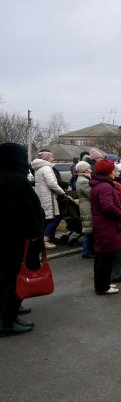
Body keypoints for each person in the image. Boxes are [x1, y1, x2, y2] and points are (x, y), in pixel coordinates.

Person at [0, 143, 44, 336]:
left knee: (6, 277)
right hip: (16, 239)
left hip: (6, 237)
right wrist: (34, 234)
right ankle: (6, 321)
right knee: (12, 277)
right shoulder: (16, 180)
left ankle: (11, 310)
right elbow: (23, 211)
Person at [89, 159, 121, 295]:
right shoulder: (105, 186)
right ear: (107, 172)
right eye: (113, 170)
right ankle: (102, 287)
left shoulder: (100, 185)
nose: (115, 172)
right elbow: (107, 206)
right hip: (107, 227)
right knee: (105, 259)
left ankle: (103, 283)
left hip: (103, 226)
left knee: (102, 258)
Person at [31, 151, 66, 250]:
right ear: (47, 158)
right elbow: (51, 183)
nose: (53, 158)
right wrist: (61, 192)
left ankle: (43, 238)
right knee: (55, 217)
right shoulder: (46, 168)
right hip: (49, 197)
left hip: (42, 196)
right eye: (51, 157)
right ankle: (45, 240)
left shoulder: (38, 168)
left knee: (46, 218)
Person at [75, 161, 94, 258]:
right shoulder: (83, 181)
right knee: (88, 229)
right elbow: (91, 194)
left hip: (87, 206)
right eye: (89, 167)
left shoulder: (85, 179)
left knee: (89, 229)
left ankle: (88, 250)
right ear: (85, 170)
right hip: (87, 207)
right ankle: (86, 252)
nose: (91, 169)